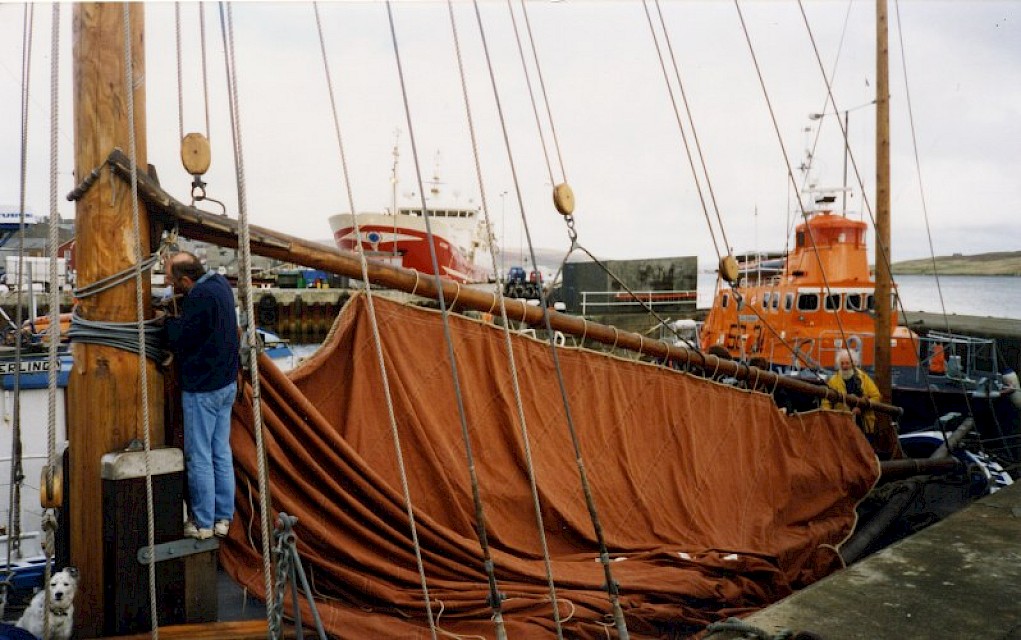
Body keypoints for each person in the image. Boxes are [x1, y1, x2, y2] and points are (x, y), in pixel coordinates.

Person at [163, 251, 240, 540]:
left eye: (172, 280)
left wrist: (165, 322)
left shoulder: (198, 298)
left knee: (199, 457)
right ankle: (223, 518)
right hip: (226, 386)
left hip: (203, 391)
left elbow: (182, 338)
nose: (171, 286)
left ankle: (203, 524)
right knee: (220, 452)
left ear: (185, 279)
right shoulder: (220, 284)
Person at [822, 349, 881, 437]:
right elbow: (826, 403)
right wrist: (831, 419)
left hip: (863, 425)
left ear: (853, 363)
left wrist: (861, 408)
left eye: (847, 363)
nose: (844, 366)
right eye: (842, 363)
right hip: (841, 426)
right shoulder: (833, 381)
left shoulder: (863, 378)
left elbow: (876, 397)